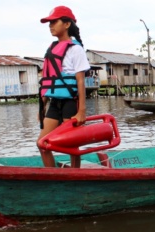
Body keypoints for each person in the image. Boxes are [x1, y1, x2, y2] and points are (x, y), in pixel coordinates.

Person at [37, 6, 91, 168]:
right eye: (49, 23)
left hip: (70, 103)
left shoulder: (76, 49)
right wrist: (42, 109)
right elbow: (48, 81)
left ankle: (75, 176)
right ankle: (52, 175)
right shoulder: (51, 49)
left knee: (72, 146)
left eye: (54, 22)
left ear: (67, 24)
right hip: (54, 102)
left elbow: (80, 81)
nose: (50, 25)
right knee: (42, 143)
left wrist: (81, 111)